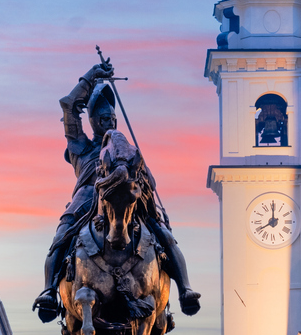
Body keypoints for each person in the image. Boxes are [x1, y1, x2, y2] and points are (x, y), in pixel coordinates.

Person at [33, 59, 200, 321]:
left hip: (127, 196)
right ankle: (49, 291)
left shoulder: (126, 150)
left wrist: (139, 174)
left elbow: (151, 182)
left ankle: (185, 288)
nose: (109, 122)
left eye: (112, 118)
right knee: (61, 237)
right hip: (87, 199)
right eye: (103, 119)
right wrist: (91, 78)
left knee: (163, 234)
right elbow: (68, 104)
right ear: (93, 122)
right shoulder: (82, 147)